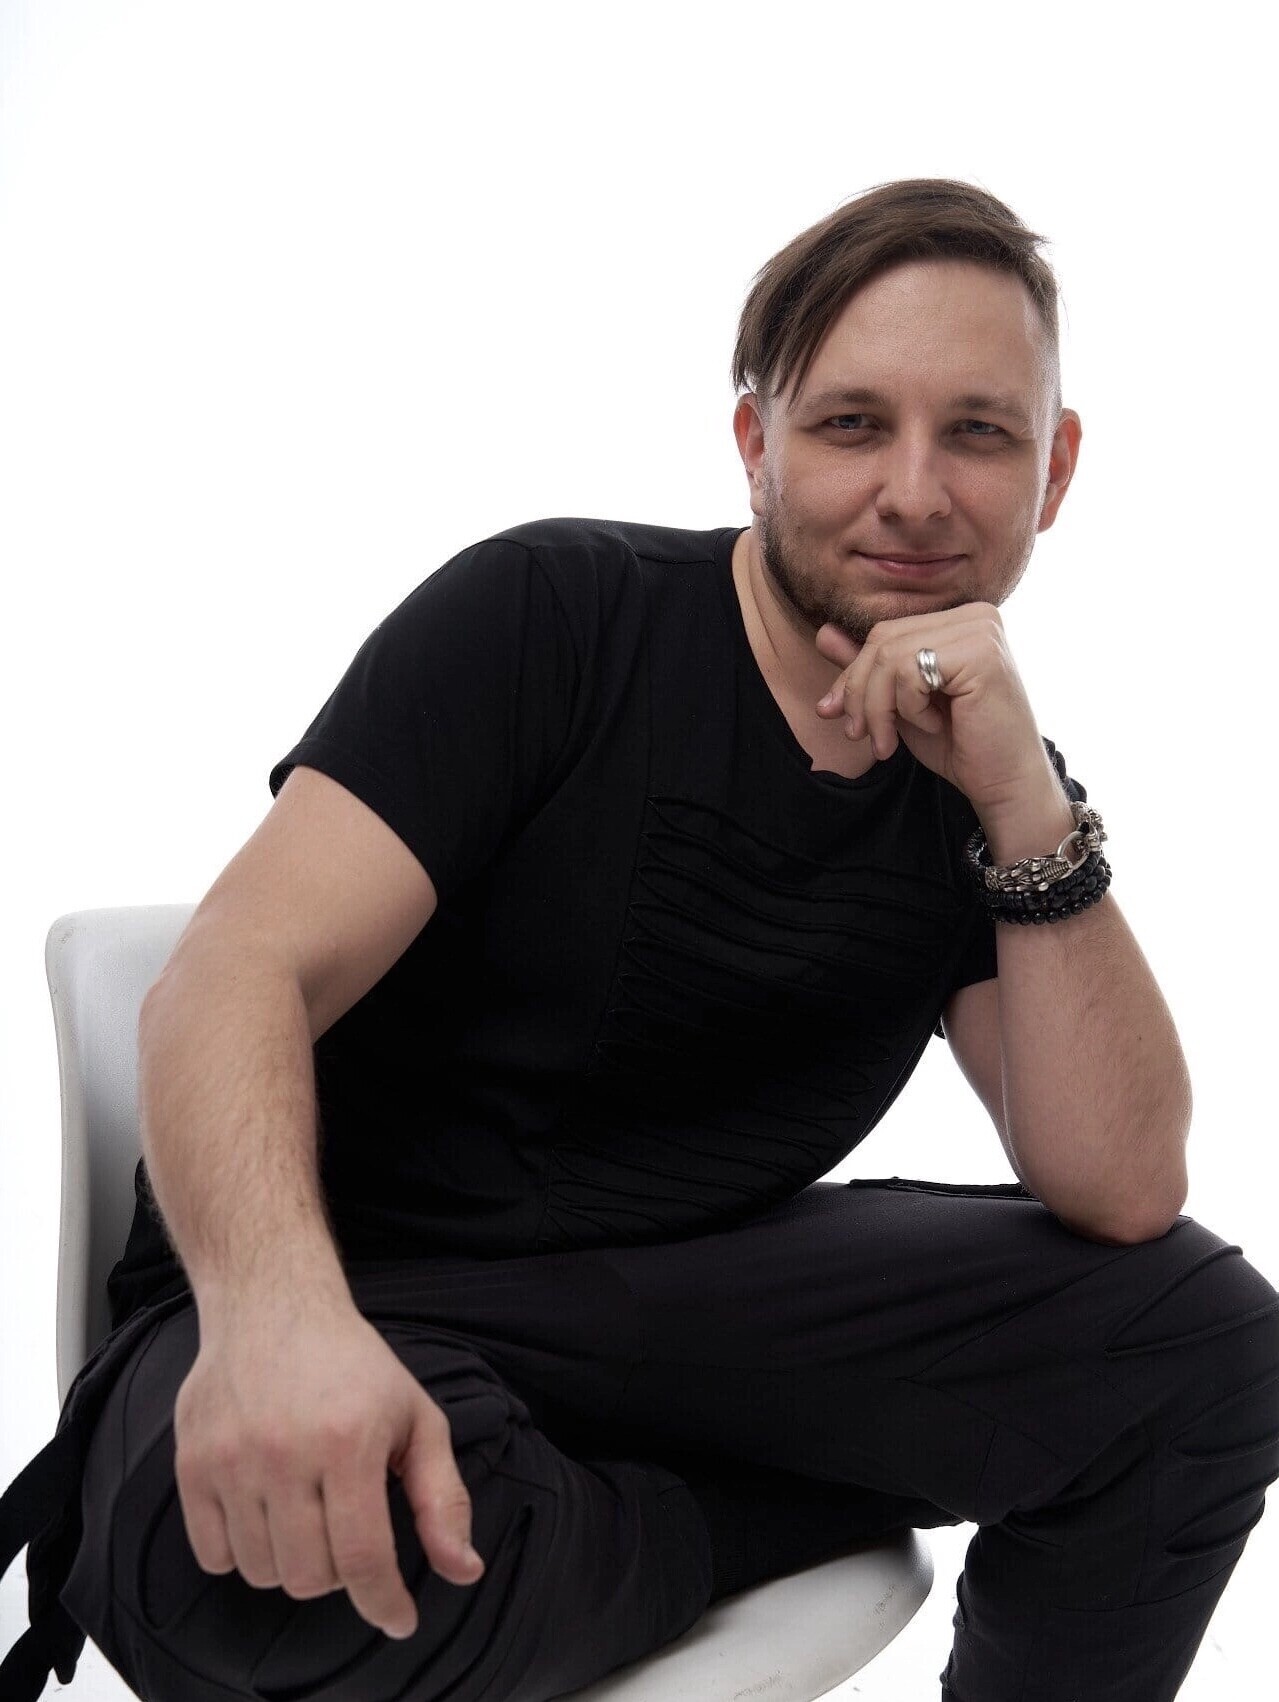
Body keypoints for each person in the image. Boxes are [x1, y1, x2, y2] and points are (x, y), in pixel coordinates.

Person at [3, 177, 1279, 1702]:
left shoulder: (983, 779)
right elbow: (228, 975)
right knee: (242, 1559)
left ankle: (595, 1510)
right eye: (852, 424)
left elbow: (1122, 1185)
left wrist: (1023, 799)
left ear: (1054, 469)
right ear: (756, 441)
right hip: (351, 1289)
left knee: (1201, 1352)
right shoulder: (554, 612)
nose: (916, 492)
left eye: (979, 434)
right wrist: (278, 1321)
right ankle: (769, 1510)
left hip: (680, 1317)